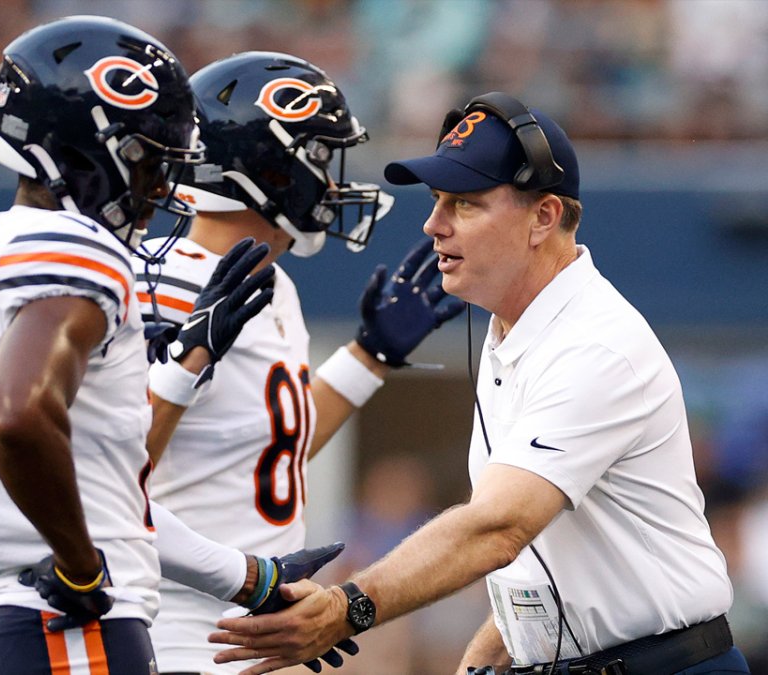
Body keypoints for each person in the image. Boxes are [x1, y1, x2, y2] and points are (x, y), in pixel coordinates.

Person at [208, 92, 749, 675]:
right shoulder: (516, 329)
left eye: (465, 203)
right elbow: (542, 552)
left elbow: (500, 526)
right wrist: (482, 657)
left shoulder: (595, 344)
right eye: (438, 201)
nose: (433, 224)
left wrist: (345, 608)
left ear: (544, 216)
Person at [0, 18, 340, 674]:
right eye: (148, 157)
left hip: (10, 621)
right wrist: (85, 569)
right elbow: (17, 412)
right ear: (90, 149)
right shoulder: (77, 246)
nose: (161, 185)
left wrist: (251, 578)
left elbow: (107, 495)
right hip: (70, 626)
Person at [135, 51, 464, 675]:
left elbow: (263, 448)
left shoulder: (272, 284)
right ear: (266, 166)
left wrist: (370, 359)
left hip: (258, 639)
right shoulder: (154, 282)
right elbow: (104, 475)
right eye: (318, 157)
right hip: (173, 638)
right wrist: (178, 366)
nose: (332, 182)